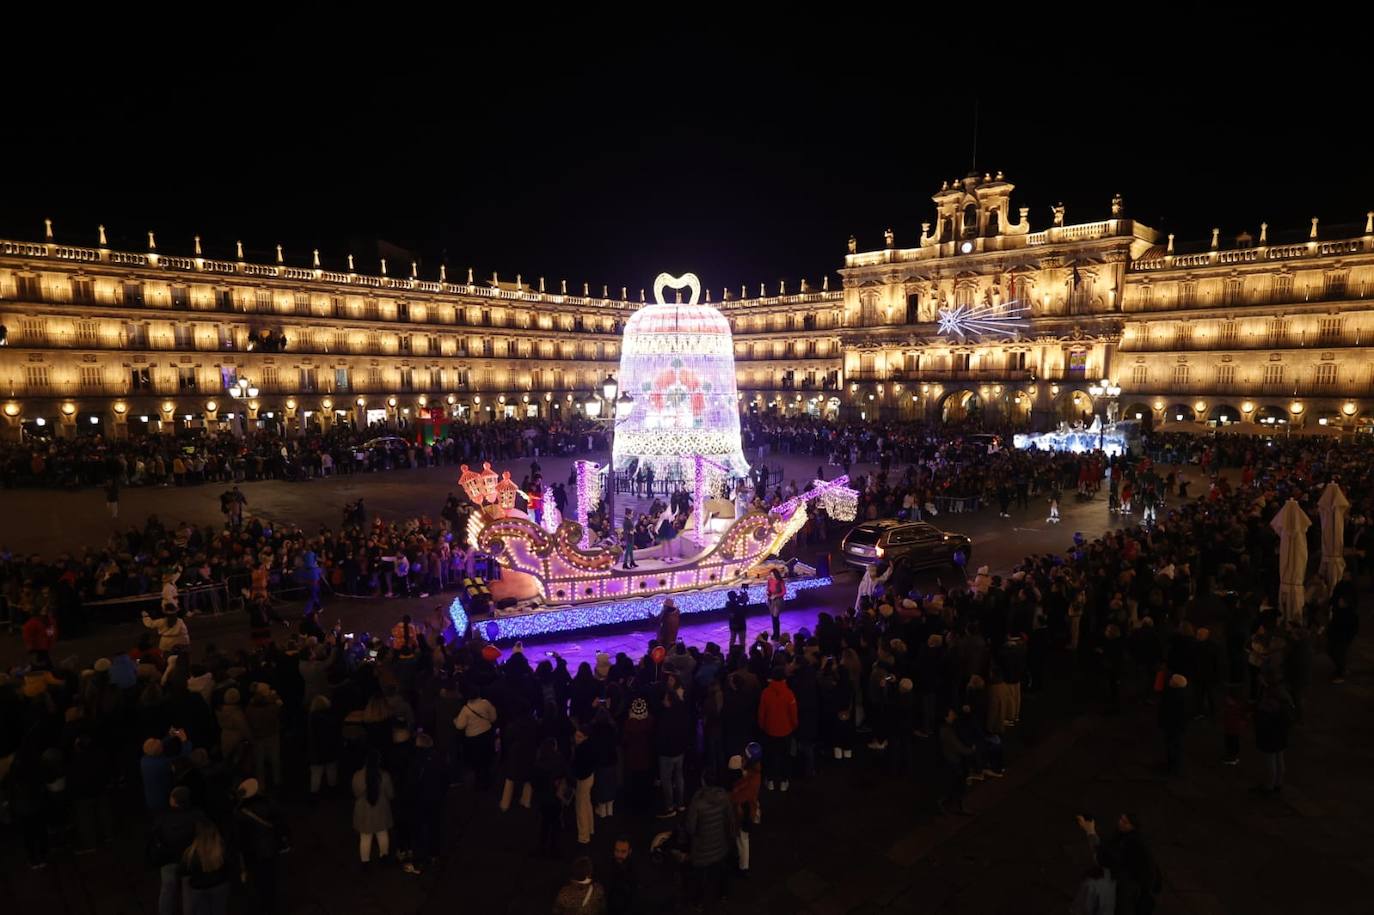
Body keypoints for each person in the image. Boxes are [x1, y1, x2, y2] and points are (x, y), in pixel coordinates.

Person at [1077, 812, 1160, 915]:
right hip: (1127, 880)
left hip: (1131, 885)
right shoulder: (1123, 835)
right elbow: (1105, 850)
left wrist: (1090, 831)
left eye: (1125, 822)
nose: (1121, 823)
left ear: (1133, 826)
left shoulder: (1132, 843)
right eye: (1121, 819)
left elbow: (1102, 858)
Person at [684, 772, 736, 908]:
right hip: (720, 845)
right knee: (720, 872)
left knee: (700, 877)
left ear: (703, 782)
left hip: (702, 849)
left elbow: (690, 827)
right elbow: (729, 820)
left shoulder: (697, 801)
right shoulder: (724, 797)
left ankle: (699, 901)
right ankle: (723, 894)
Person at [757, 667, 797, 792]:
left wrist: (763, 726)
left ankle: (770, 781)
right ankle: (784, 781)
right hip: (786, 730)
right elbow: (793, 714)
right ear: (784, 679)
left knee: (770, 756)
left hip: (769, 730)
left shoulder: (765, 693)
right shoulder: (789, 693)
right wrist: (794, 726)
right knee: (785, 756)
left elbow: (761, 713)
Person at [180, 818, 231, 915]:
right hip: (220, 885)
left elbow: (183, 872)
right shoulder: (222, 849)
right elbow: (230, 866)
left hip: (199, 887)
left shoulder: (190, 854)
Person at [352, 750, 395, 864]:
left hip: (363, 811)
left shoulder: (357, 775)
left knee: (365, 837)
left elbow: (356, 793)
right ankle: (384, 857)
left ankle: (365, 861)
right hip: (381, 810)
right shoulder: (384, 776)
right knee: (382, 834)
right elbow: (390, 794)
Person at [454, 689, 498, 789]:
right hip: (487, 733)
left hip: (473, 738)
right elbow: (493, 717)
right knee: (487, 758)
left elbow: (460, 726)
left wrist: (455, 720)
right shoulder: (485, 703)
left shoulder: (466, 709)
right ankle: (488, 780)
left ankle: (479, 782)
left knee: (477, 760)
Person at [606, 838, 640, 915]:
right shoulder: (608, 865)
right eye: (616, 850)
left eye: (623, 851)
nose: (619, 855)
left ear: (630, 851)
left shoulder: (634, 870)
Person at [726, 585, 749, 650]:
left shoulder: (729, 604)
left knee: (734, 640)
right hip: (739, 624)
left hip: (735, 625)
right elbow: (742, 612)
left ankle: (732, 652)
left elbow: (744, 611)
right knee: (740, 641)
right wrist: (743, 601)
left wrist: (743, 601)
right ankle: (741, 653)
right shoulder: (731, 604)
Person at [766, 568, 786, 641]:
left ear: (776, 574)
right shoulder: (770, 580)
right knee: (773, 618)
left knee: (775, 617)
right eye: (770, 574)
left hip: (778, 601)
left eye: (772, 574)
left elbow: (784, 592)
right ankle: (775, 633)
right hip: (771, 601)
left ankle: (777, 635)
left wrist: (776, 595)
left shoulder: (780, 581)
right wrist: (768, 592)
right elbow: (768, 589)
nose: (771, 576)